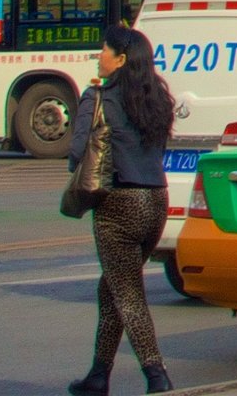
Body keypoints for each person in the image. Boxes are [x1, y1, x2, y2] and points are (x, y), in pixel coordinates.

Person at [71, 25, 176, 395]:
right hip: (156, 200)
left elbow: (76, 152)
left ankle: (156, 374)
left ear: (119, 59)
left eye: (103, 50)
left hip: (119, 202)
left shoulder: (98, 97)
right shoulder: (156, 98)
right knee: (112, 288)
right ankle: (98, 376)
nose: (98, 56)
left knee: (127, 292)